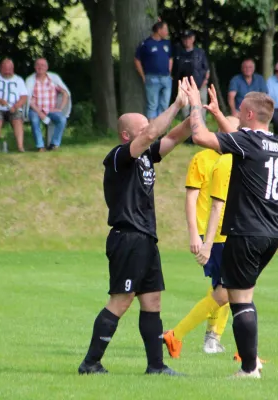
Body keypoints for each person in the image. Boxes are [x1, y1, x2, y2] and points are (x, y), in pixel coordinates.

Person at [78, 79, 192, 376]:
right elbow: (156, 131)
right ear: (127, 135)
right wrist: (176, 104)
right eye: (143, 129)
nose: (149, 132)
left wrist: (198, 109)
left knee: (152, 300)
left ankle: (155, 366)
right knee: (121, 299)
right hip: (127, 236)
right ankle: (90, 363)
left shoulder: (146, 157)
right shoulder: (118, 157)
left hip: (145, 239)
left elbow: (177, 135)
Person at [183, 77, 278, 379]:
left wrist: (194, 105)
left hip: (245, 232)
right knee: (243, 298)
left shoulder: (248, 141)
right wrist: (216, 113)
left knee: (239, 302)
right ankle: (249, 364)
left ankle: (249, 368)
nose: (237, 115)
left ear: (250, 115)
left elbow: (200, 136)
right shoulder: (274, 142)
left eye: (240, 111)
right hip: (271, 232)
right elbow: (239, 140)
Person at [162, 115, 239, 358]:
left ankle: (213, 340)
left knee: (227, 289)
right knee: (230, 290)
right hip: (214, 235)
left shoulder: (238, 159)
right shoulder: (202, 158)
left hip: (234, 231)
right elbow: (191, 198)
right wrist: (195, 234)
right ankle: (185, 335)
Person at [25, 58, 72, 151]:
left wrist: (60, 108)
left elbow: (65, 93)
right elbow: (28, 99)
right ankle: (40, 146)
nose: (40, 67)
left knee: (62, 119)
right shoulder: (30, 80)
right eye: (38, 65)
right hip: (35, 109)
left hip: (51, 109)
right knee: (34, 120)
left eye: (43, 65)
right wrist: (40, 113)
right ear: (35, 67)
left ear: (47, 67)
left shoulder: (53, 78)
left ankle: (54, 144)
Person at [0, 58, 28, 152]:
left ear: (13, 69)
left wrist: (16, 106)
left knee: (17, 119)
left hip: (14, 107)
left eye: (10, 69)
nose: (8, 71)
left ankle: (20, 147)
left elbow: (24, 97)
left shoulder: (19, 80)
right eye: (5, 69)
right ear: (0, 68)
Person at [134, 21, 173, 120]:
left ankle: (161, 130)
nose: (167, 32)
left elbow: (170, 58)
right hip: (152, 78)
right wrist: (143, 76)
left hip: (166, 78)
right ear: (159, 30)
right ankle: (152, 132)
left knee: (165, 105)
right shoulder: (146, 44)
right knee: (153, 105)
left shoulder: (167, 43)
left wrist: (169, 72)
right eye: (165, 30)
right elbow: (137, 60)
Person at [173, 29, 210, 120]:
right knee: (185, 109)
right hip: (184, 86)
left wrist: (205, 81)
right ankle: (187, 131)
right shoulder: (178, 53)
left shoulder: (200, 52)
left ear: (193, 39)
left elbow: (207, 69)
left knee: (201, 108)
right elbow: (174, 70)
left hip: (200, 85)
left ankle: (203, 130)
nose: (187, 41)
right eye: (185, 39)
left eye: (189, 38)